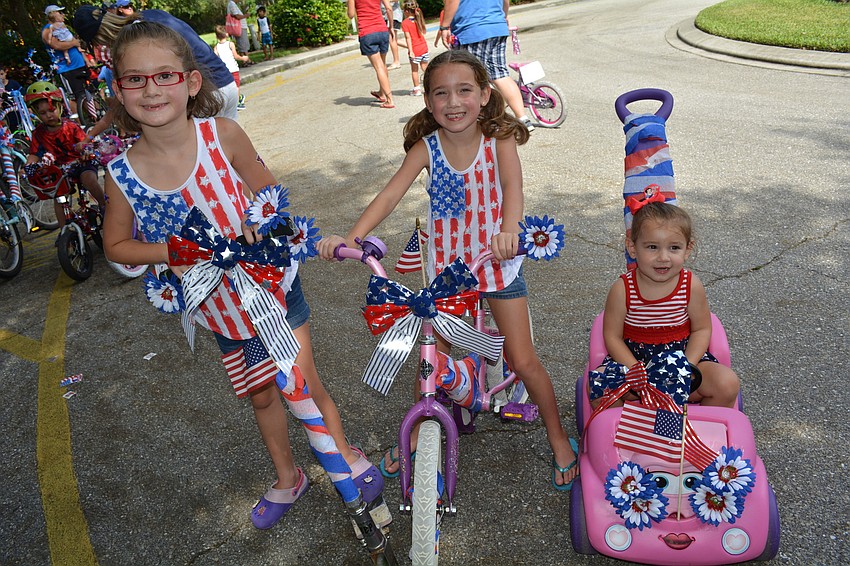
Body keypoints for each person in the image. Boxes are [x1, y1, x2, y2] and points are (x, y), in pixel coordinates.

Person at [100, 20, 387, 531]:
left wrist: (258, 220)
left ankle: (342, 450)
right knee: (260, 392)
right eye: (135, 79)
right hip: (217, 305)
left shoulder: (223, 134)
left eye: (164, 75)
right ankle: (287, 475)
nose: (151, 89)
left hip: (271, 288)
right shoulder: (121, 173)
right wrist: (174, 251)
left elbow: (269, 193)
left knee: (303, 379)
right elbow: (116, 245)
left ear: (190, 82)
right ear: (118, 91)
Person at [318, 50, 579, 490]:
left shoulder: (500, 141)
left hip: (495, 267)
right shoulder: (427, 148)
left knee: (523, 359)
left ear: (483, 94)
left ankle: (558, 440)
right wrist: (353, 236)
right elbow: (389, 195)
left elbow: (513, 188)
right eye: (441, 93)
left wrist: (510, 230)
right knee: (429, 361)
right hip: (447, 278)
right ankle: (418, 438)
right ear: (428, 100)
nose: (453, 102)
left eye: (464, 90)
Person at [590, 195, 741, 409]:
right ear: (632, 247)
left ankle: (704, 429)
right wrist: (635, 370)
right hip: (635, 363)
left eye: (674, 248)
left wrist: (686, 366)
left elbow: (702, 329)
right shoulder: (622, 289)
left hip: (682, 359)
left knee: (727, 383)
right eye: (652, 247)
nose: (663, 257)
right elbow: (612, 336)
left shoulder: (691, 285)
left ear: (688, 249)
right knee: (599, 386)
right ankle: (618, 436)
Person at [73, 4, 239, 120]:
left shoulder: (136, 40)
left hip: (204, 94)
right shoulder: (152, 15)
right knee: (229, 155)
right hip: (226, 82)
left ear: (98, 38)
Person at [439, 0, 535, 132]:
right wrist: (504, 16)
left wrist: (444, 27)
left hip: (472, 29)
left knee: (471, 79)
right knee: (500, 75)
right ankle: (523, 119)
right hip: (497, 26)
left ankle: (483, 121)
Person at [24, 81, 105, 226]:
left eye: (51, 109)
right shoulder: (38, 133)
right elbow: (34, 153)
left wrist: (85, 151)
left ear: (59, 107)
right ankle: (64, 230)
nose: (48, 115)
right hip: (60, 171)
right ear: (36, 114)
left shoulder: (71, 127)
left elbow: (84, 143)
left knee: (89, 180)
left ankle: (105, 206)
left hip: (81, 163)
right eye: (43, 113)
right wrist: (29, 165)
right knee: (59, 197)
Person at [41, 5, 89, 118]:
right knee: (73, 96)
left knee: (87, 93)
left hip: (79, 65)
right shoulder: (48, 29)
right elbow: (56, 45)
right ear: (52, 14)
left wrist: (86, 59)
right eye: (60, 12)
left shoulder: (63, 27)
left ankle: (95, 117)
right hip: (67, 68)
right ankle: (79, 123)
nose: (63, 15)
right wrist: (74, 43)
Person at [348, 0, 395, 109]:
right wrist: (391, 26)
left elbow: (350, 15)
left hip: (367, 32)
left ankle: (389, 99)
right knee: (382, 65)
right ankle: (382, 93)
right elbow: (389, 8)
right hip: (382, 29)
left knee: (379, 67)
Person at [213, 25, 249, 110]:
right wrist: (243, 58)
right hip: (233, 68)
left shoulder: (216, 47)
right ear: (227, 34)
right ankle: (237, 103)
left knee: (228, 86)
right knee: (236, 86)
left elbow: (215, 59)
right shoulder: (230, 44)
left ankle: (232, 102)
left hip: (224, 70)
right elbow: (236, 56)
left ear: (216, 36)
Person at [397, 0, 429, 96]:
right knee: (425, 68)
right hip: (424, 47)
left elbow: (408, 38)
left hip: (415, 50)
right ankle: (431, 84)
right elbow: (423, 32)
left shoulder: (405, 23)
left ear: (406, 11)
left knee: (414, 70)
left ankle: (417, 89)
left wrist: (410, 51)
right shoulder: (418, 19)